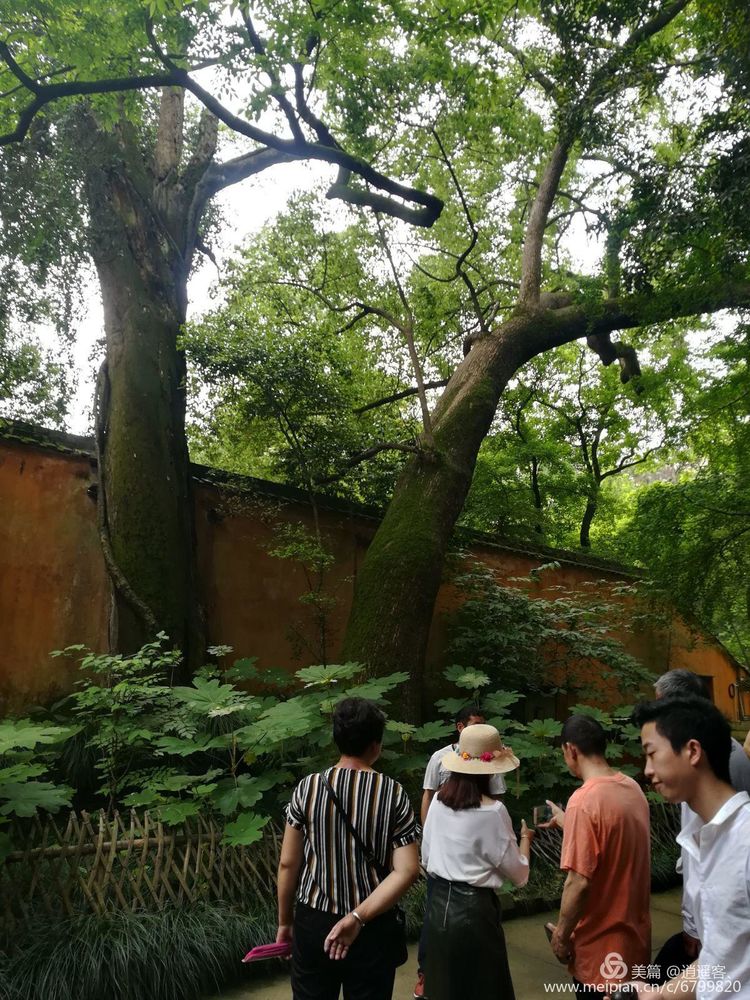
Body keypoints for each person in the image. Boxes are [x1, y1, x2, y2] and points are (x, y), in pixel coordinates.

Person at [275, 697, 419, 1000]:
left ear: (336, 738)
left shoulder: (308, 787)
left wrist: (285, 921)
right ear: (376, 745)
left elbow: (289, 864)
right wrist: (357, 918)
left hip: (314, 921)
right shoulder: (394, 794)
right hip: (372, 925)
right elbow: (406, 870)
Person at [629, 696, 750, 997]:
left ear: (693, 751)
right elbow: (720, 956)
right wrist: (659, 995)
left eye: (651, 754)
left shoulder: (744, 841)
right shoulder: (699, 840)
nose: (647, 770)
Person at [420, 723, 531, 1000]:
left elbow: (426, 856)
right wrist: (526, 840)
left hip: (437, 908)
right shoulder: (493, 811)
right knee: (484, 989)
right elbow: (519, 875)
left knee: (443, 989)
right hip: (475, 911)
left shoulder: (437, 804)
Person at [545, 714, 651, 997]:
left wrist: (561, 937)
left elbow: (579, 882)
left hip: (599, 953)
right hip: (635, 947)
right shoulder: (633, 789)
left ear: (571, 749)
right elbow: (611, 839)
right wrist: (567, 821)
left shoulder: (583, 801)